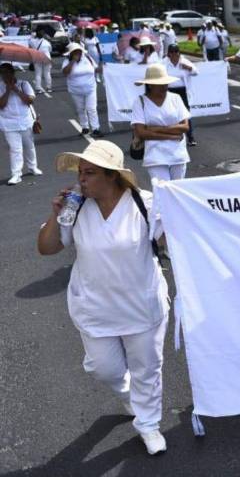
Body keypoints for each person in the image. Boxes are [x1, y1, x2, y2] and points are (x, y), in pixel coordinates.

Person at [37, 140, 170, 455]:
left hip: (141, 304)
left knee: (147, 368)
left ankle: (148, 424)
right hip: (95, 307)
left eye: (90, 173)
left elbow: (171, 243)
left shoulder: (145, 203)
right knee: (103, 369)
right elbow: (47, 248)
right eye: (81, 172)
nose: (81, 179)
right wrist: (55, 215)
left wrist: (177, 219)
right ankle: (128, 393)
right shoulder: (76, 206)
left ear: (112, 175)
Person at [131, 65, 190, 185]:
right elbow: (141, 132)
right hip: (155, 156)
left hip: (178, 154)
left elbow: (185, 127)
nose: (164, 86)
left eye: (165, 83)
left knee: (178, 191)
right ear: (150, 85)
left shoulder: (175, 98)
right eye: (159, 83)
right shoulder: (140, 102)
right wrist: (172, 136)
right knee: (163, 192)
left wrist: (155, 129)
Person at [0, 63, 41, 185]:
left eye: (7, 72)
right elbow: (1, 105)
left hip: (25, 121)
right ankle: (16, 174)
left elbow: (30, 100)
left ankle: (32, 167)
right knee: (15, 149)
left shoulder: (24, 84)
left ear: (13, 73)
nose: (5, 75)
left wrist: (16, 90)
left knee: (29, 146)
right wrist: (7, 91)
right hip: (8, 123)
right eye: (2, 73)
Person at [62, 42, 101, 137]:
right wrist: (72, 62)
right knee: (80, 109)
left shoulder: (88, 59)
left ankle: (95, 128)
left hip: (90, 88)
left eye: (79, 52)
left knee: (92, 108)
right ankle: (85, 127)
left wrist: (105, 68)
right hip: (75, 90)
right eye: (75, 52)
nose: (78, 54)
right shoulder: (66, 61)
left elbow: (95, 69)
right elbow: (65, 72)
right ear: (71, 54)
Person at [164, 43, 198, 146]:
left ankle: (190, 137)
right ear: (168, 54)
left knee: (185, 113)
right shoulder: (163, 63)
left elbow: (196, 72)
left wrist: (188, 68)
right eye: (172, 52)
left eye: (176, 52)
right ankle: (171, 136)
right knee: (169, 113)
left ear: (179, 53)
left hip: (182, 91)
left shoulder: (184, 61)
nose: (174, 54)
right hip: (169, 91)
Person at [28, 27, 52, 93]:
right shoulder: (46, 42)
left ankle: (38, 88)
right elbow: (50, 49)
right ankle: (49, 88)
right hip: (46, 58)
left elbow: (30, 47)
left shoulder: (32, 41)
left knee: (38, 73)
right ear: (43, 34)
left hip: (37, 57)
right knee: (47, 73)